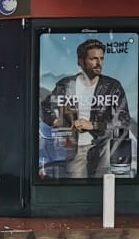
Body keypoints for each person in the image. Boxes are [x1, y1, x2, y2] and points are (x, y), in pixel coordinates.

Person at [41, 38, 133, 178]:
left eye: (101, 58)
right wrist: (55, 121)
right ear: (81, 61)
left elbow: (124, 120)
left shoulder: (112, 86)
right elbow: (45, 106)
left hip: (104, 145)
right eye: (93, 59)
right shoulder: (66, 85)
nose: (99, 63)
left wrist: (93, 125)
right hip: (75, 148)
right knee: (76, 186)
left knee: (104, 187)